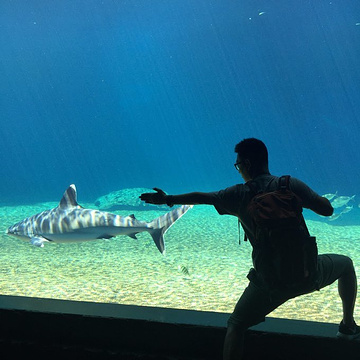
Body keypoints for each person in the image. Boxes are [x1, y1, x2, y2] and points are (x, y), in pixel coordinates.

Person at [139, 138, 359, 359]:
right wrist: (302, 200)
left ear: (247, 164)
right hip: (307, 273)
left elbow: (202, 197)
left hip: (269, 283)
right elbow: (327, 210)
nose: (238, 170)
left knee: (235, 325)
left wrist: (168, 199)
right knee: (346, 265)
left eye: (238, 166)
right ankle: (348, 327)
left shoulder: (238, 195)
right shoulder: (290, 185)